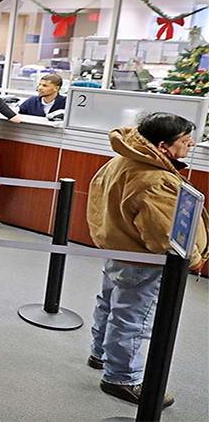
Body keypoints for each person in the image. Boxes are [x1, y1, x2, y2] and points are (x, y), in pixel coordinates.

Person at [87, 112, 208, 407]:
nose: (191, 143)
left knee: (109, 304)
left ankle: (100, 353)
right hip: (144, 261)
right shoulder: (156, 179)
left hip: (118, 248)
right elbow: (165, 236)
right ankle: (122, 378)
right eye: (185, 139)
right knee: (134, 319)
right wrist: (193, 259)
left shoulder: (122, 159)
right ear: (163, 146)